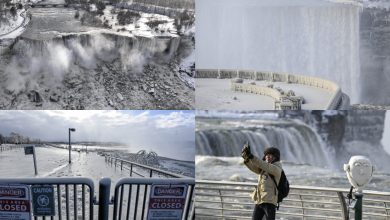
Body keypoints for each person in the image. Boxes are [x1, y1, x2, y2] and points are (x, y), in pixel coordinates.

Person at [241, 143, 282, 220]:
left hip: (269, 201)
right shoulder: (264, 168)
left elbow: (261, 164)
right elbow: (255, 168)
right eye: (266, 155)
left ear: (275, 157)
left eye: (270, 155)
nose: (267, 156)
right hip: (260, 200)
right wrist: (246, 158)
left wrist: (251, 156)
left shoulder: (276, 168)